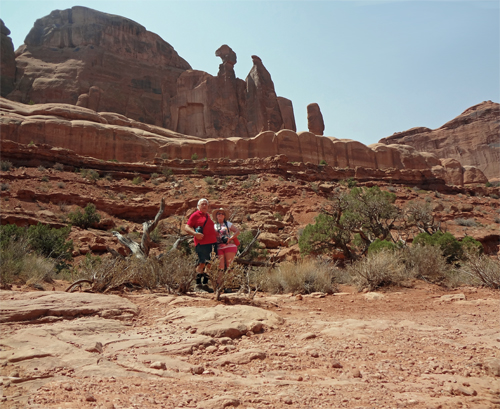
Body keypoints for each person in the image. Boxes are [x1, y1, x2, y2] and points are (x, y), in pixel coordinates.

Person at [184, 198, 217, 292]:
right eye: (202, 204)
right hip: (201, 243)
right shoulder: (195, 215)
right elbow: (186, 227)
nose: (204, 205)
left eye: (206, 204)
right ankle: (198, 285)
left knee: (210, 264)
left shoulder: (208, 216)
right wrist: (195, 234)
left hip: (212, 243)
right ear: (198, 206)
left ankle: (205, 284)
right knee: (201, 263)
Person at [212, 207, 240, 273]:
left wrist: (230, 238)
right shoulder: (214, 226)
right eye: (219, 213)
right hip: (219, 247)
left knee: (230, 266)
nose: (220, 215)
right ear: (216, 216)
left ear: (224, 216)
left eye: (222, 214)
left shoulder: (228, 224)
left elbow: (237, 231)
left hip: (229, 246)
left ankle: (230, 282)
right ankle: (219, 283)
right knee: (220, 267)